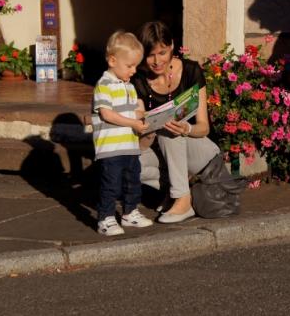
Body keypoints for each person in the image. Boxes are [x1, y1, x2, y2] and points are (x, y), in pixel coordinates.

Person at [132, 21, 220, 223]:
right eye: (150, 54)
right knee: (133, 164)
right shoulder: (139, 81)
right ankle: (173, 191)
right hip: (165, 151)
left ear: (171, 45)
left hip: (201, 151)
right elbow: (141, 142)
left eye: (162, 52)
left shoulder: (191, 71)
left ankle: (183, 200)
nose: (156, 61)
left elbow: (204, 127)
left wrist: (186, 128)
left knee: (170, 129)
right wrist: (147, 131)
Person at [92, 31, 153, 236]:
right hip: (111, 147)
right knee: (111, 184)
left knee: (132, 181)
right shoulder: (104, 85)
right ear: (112, 60)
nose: (134, 70)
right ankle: (105, 217)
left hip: (129, 145)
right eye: (130, 66)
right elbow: (107, 114)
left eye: (136, 65)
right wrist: (133, 122)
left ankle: (130, 212)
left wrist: (143, 114)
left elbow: (134, 110)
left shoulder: (128, 85)